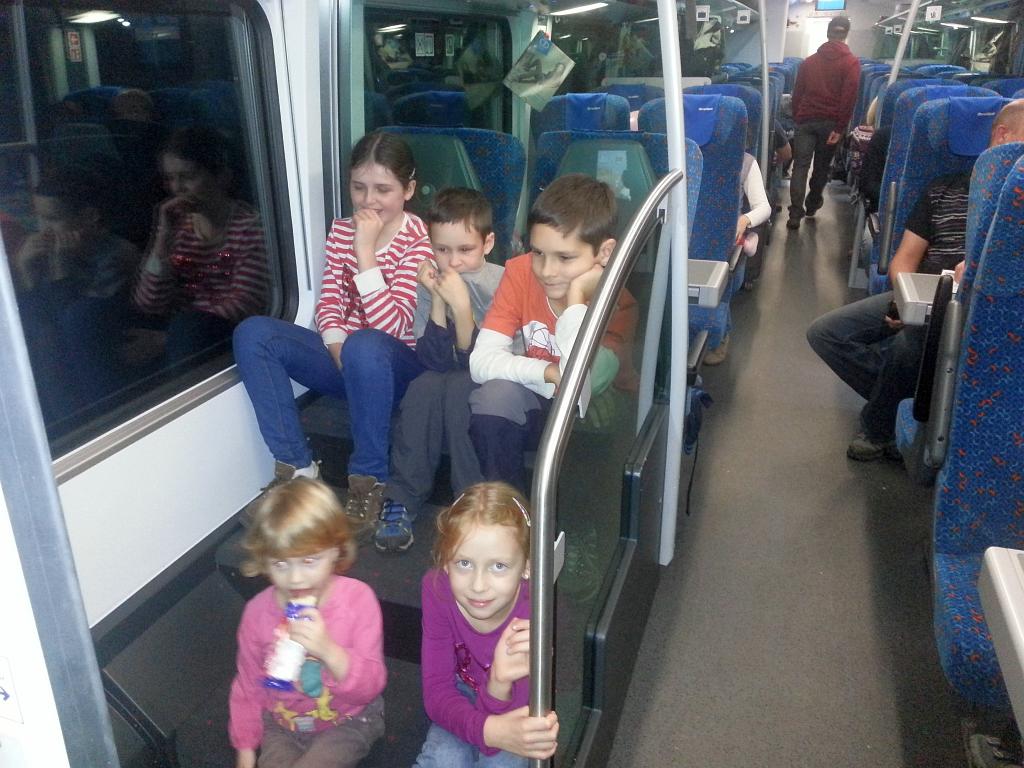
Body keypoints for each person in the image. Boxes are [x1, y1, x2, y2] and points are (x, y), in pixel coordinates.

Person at [233, 131, 432, 536]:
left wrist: (365, 252)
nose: (368, 201)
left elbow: (394, 327)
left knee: (367, 344)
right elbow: (329, 303)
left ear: (408, 190)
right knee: (255, 334)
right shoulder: (342, 230)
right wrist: (335, 344)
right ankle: (297, 470)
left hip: (398, 369)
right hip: (348, 359)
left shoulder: (419, 243)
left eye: (383, 190)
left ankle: (369, 480)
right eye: (358, 187)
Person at [806, 101, 1024, 460]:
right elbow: (904, 260)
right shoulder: (942, 190)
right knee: (827, 333)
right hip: (929, 295)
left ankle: (879, 428)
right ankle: (916, 400)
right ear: (1004, 136)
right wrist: (904, 299)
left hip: (995, 307)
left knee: (909, 347)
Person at [468, 174, 637, 492]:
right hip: (543, 395)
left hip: (600, 416)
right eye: (538, 253)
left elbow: (580, 386)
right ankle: (509, 513)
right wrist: (547, 372)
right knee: (492, 398)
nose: (546, 270)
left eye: (565, 257)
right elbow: (480, 361)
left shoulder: (619, 304)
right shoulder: (521, 271)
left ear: (604, 253)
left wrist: (576, 298)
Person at [376, 188, 505, 554]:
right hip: (445, 375)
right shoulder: (430, 281)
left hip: (491, 378)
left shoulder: (501, 282)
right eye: (442, 249)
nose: (453, 261)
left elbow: (479, 365)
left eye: (465, 249)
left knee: (461, 387)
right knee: (424, 385)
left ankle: (471, 504)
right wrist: (435, 298)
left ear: (487, 243)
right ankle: (402, 497)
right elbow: (433, 360)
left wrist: (462, 308)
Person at [228, 478, 386, 768]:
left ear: (336, 550)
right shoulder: (256, 613)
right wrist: (246, 750)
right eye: (280, 564)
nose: (295, 578)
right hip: (281, 724)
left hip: (349, 719)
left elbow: (370, 686)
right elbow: (248, 684)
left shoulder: (357, 601)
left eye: (309, 561)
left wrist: (327, 649)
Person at [414, 482, 559, 767]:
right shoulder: (437, 589)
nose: (478, 586)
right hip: (462, 691)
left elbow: (509, 732)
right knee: (444, 759)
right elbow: (437, 693)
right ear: (446, 561)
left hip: (519, 703)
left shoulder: (535, 611)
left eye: (499, 566)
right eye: (464, 563)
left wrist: (499, 684)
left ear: (527, 566)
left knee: (501, 763)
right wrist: (488, 729)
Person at [132, 126, 269, 365]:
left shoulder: (250, 227)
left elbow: (244, 303)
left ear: (221, 176)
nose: (177, 188)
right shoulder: (177, 227)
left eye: (188, 177)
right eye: (170, 178)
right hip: (178, 329)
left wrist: (169, 339)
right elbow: (148, 303)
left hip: (221, 333)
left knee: (191, 328)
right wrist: (162, 241)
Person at [12, 169, 139, 421]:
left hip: (99, 357)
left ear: (89, 216)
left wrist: (60, 268)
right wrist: (25, 272)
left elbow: (73, 323)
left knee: (54, 335)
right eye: (39, 218)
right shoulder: (41, 254)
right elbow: (31, 322)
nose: (43, 230)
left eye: (53, 219)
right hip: (55, 366)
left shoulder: (116, 255)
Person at [786, 16, 860, 230]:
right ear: (846, 35)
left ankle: (795, 214)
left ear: (828, 33)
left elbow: (797, 94)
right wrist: (840, 127)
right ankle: (812, 203)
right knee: (821, 167)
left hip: (806, 120)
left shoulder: (809, 62)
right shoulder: (851, 63)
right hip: (830, 123)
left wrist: (798, 117)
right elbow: (849, 99)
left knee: (800, 166)